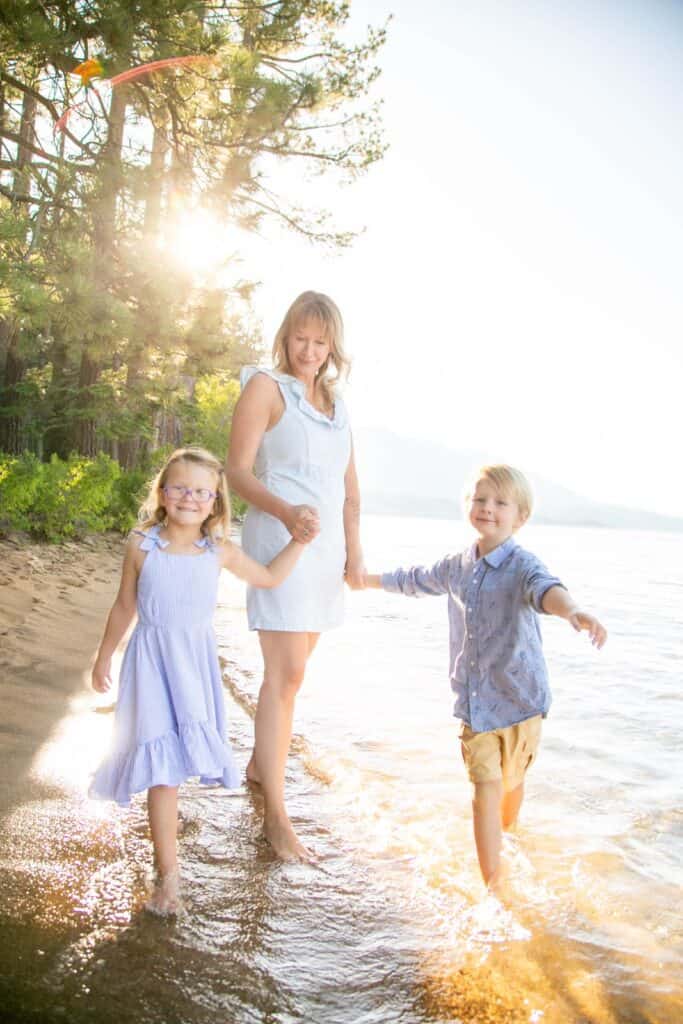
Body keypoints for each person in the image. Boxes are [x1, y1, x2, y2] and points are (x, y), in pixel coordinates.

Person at [352, 464, 607, 892]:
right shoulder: (457, 565)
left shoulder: (523, 564)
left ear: (519, 518)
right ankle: (494, 889)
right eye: (480, 499)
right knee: (484, 792)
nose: (488, 508)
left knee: (513, 784)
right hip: (476, 706)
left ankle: (509, 839)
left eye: (500, 503)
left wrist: (573, 611)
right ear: (468, 506)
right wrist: (367, 580)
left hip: (522, 702)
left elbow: (546, 589)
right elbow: (416, 579)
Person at [89, 446, 307, 915]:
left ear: (215, 502)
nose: (191, 498)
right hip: (149, 663)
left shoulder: (219, 552)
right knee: (161, 771)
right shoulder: (141, 545)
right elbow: (125, 606)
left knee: (178, 760)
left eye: (202, 492)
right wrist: (104, 656)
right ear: (163, 494)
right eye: (181, 488)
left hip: (192, 665)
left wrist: (300, 542)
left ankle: (169, 852)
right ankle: (169, 877)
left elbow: (269, 578)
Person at [227, 290, 364, 863]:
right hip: (281, 541)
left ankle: (260, 767)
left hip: (325, 551)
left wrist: (354, 553)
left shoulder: (336, 403)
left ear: (332, 346)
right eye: (300, 338)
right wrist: (285, 514)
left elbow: (349, 492)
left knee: (294, 675)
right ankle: (277, 820)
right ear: (285, 337)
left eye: (320, 341)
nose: (309, 351)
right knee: (285, 677)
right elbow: (236, 472)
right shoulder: (265, 387)